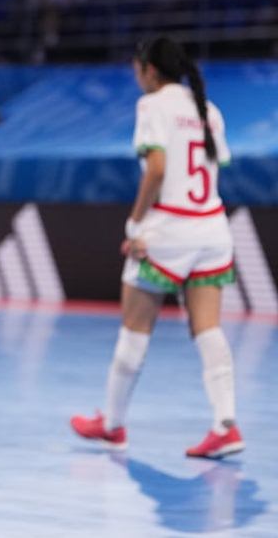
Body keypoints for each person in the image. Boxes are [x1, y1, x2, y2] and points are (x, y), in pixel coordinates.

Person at [71, 36, 244, 460]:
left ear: (149, 70)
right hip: (212, 229)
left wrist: (136, 224)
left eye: (137, 69)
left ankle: (112, 425)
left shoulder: (152, 106)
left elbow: (158, 170)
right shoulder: (210, 110)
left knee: (134, 330)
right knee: (208, 328)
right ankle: (226, 425)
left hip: (167, 232)